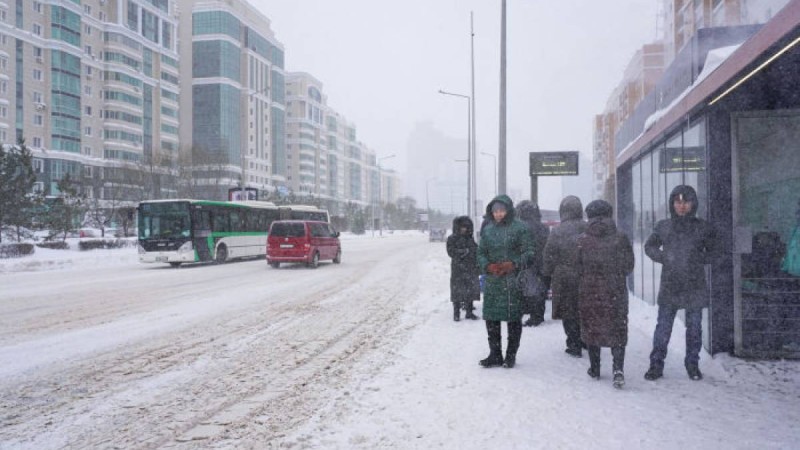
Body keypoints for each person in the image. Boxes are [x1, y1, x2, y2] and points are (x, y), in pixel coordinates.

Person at [644, 185, 718, 381]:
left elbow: (715, 251)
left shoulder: (703, 227)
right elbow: (649, 246)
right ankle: (656, 364)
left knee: (694, 328)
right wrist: (664, 257)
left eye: (686, 201)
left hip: (695, 284)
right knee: (663, 327)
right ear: (672, 204)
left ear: (693, 203)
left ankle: (692, 364)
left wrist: (698, 259)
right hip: (670, 284)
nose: (682, 206)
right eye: (678, 202)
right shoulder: (664, 226)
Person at [577, 200, 634, 388]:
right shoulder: (621, 238)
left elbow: (578, 267)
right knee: (617, 326)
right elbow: (628, 266)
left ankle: (595, 368)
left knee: (592, 325)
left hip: (590, 290)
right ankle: (618, 369)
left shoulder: (582, 240)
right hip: (615, 289)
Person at [477, 195, 535, 368]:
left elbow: (530, 252)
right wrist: (487, 266)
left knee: (513, 319)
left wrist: (514, 264)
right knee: (492, 319)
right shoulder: (487, 231)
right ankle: (495, 354)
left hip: (513, 281)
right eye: (495, 211)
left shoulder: (521, 228)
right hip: (493, 282)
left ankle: (510, 355)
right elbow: (480, 253)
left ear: (508, 210)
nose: (498, 214)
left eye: (501, 210)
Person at [542, 196, 587, 357]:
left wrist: (547, 275)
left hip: (564, 277)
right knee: (584, 309)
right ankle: (585, 339)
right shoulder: (587, 227)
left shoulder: (558, 231)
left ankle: (573, 343)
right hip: (585, 275)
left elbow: (549, 254)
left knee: (568, 311)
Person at [516, 200, 550, 327]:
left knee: (528, 289)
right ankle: (538, 315)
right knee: (540, 289)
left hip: (527, 263)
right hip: (542, 262)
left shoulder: (520, 227)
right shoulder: (544, 227)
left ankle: (532, 315)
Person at [446, 216, 480, 321]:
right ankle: (456, 314)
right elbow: (450, 251)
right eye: (462, 227)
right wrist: (464, 252)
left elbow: (475, 250)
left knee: (470, 290)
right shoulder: (452, 238)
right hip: (458, 269)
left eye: (466, 227)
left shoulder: (470, 238)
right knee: (457, 292)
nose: (464, 229)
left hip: (470, 268)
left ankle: (469, 312)